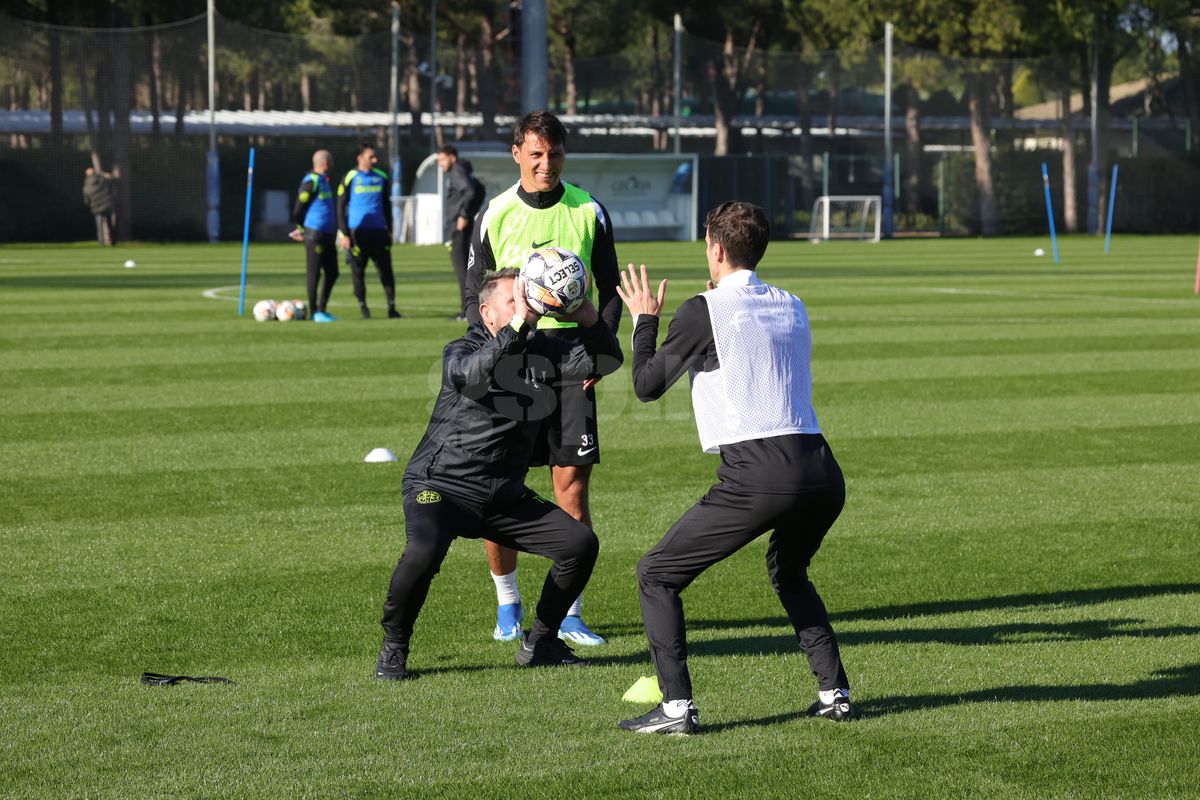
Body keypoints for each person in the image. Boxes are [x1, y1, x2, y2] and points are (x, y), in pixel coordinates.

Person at [615, 201, 853, 735]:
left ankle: (677, 708)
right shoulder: (793, 303)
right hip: (821, 468)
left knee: (656, 574)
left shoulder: (703, 308)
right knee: (789, 573)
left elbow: (647, 386)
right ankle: (834, 693)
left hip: (759, 472)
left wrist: (645, 321)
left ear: (716, 249)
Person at [375, 268, 622, 680]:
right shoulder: (463, 346)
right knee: (423, 553)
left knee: (579, 544)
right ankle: (394, 647)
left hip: (502, 494)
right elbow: (471, 376)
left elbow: (605, 360)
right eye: (514, 300)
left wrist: (589, 318)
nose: (525, 305)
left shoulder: (545, 348)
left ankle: (541, 641)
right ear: (487, 313)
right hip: (440, 485)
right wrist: (520, 325)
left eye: (527, 298)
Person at [463, 110, 622, 647]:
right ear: (517, 155)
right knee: (498, 486)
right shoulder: (497, 214)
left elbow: (611, 290)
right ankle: (508, 602)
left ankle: (569, 612)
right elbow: (473, 299)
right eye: (535, 154)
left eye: (554, 154)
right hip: (515, 356)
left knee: (571, 485)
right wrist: (491, 359)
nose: (546, 164)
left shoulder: (589, 210)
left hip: (574, 356)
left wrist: (600, 355)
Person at [336, 143, 400, 319]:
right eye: (371, 156)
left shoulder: (381, 177)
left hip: (379, 232)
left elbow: (387, 206)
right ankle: (363, 307)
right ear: (360, 158)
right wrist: (344, 233)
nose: (375, 160)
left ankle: (392, 307)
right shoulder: (350, 177)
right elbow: (340, 207)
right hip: (357, 233)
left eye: (375, 156)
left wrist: (390, 230)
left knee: (386, 271)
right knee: (358, 272)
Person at [437, 145, 485, 321]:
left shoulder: (457, 171)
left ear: (452, 157)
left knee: (463, 272)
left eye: (442, 160)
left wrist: (464, 215)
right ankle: (469, 310)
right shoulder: (464, 170)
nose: (440, 164)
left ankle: (467, 312)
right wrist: (470, 213)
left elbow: (471, 191)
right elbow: (479, 189)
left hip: (459, 228)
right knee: (466, 270)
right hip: (462, 226)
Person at [290, 149, 339, 323]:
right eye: (331, 160)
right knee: (314, 273)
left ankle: (322, 309)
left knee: (333, 272)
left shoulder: (324, 181)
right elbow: (298, 209)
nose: (333, 163)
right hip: (315, 234)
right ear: (325, 163)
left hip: (327, 234)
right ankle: (314, 312)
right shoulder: (311, 181)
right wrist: (301, 229)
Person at [82, 166, 114, 246]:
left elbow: (87, 199)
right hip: (107, 206)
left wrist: (90, 204)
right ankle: (113, 241)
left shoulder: (87, 185)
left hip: (96, 208)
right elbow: (110, 186)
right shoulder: (102, 180)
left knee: (99, 227)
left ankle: (101, 243)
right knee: (110, 225)